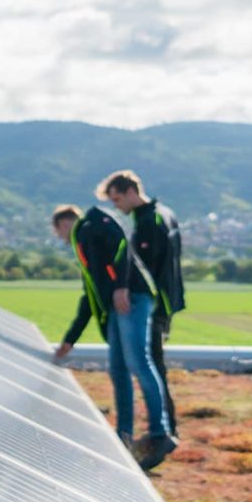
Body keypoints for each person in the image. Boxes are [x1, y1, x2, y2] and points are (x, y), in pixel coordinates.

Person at [49, 198, 176, 469]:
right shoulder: (85, 238)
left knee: (139, 362)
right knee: (118, 370)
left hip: (132, 297)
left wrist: (121, 286)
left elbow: (122, 246)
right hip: (118, 305)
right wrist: (70, 339)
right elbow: (90, 296)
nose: (61, 238)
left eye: (58, 232)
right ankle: (124, 435)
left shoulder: (94, 223)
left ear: (63, 223)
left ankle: (160, 432)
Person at [102, 170, 184, 437]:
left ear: (130, 192)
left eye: (117, 199)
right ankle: (166, 430)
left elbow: (146, 270)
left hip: (154, 303)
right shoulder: (165, 213)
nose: (117, 207)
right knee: (155, 365)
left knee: (151, 366)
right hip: (166, 300)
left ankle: (164, 433)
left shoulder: (149, 221)